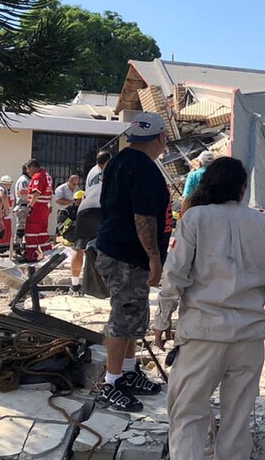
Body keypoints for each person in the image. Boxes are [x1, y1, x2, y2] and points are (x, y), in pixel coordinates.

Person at [154, 157, 265, 460]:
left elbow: (174, 275)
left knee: (188, 414)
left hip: (203, 333)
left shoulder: (195, 219)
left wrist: (162, 319)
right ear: (242, 189)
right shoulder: (264, 223)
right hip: (248, 336)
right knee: (237, 420)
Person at [93, 112, 171, 412]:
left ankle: (127, 371)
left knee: (133, 315)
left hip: (117, 248)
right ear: (161, 137)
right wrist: (154, 258)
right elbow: (143, 218)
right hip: (127, 253)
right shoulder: (144, 168)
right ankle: (111, 382)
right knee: (124, 315)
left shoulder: (119, 160)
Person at [71, 151, 112, 294]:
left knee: (78, 248)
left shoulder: (91, 172)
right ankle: (108, 285)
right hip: (103, 207)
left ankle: (75, 285)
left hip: (85, 207)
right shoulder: (110, 174)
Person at [22, 159, 53, 262]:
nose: (27, 172)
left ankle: (31, 255)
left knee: (31, 231)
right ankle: (48, 253)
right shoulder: (47, 175)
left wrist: (30, 206)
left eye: (27, 169)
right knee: (42, 232)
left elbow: (37, 193)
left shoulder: (37, 176)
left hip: (37, 208)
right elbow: (46, 191)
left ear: (32, 167)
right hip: (44, 208)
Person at [51, 173, 80, 242]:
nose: (75, 186)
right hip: (63, 212)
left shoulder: (77, 188)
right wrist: (72, 202)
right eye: (74, 184)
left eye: (77, 184)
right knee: (62, 227)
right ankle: (57, 241)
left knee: (71, 227)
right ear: (69, 181)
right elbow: (58, 200)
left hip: (72, 212)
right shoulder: (61, 189)